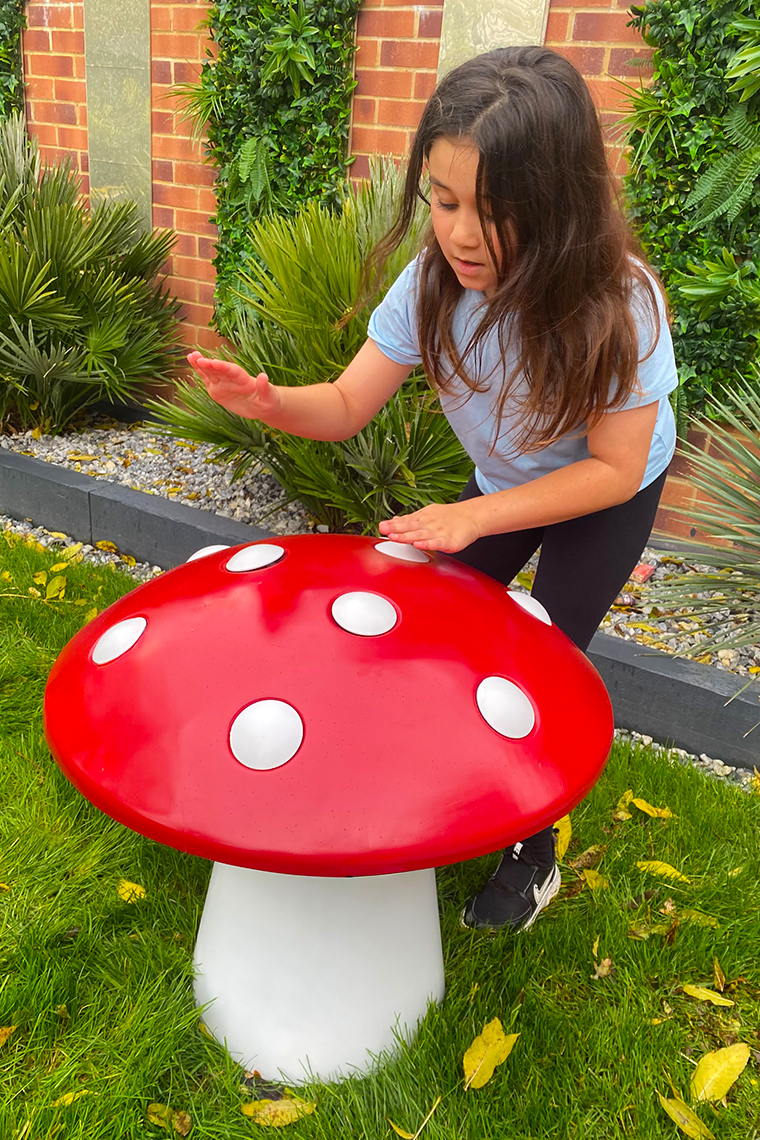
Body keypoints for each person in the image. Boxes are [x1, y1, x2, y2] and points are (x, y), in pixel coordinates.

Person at [187, 46, 678, 933]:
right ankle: (438, 785)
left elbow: (609, 468)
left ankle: (533, 853)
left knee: (543, 662)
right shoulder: (433, 285)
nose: (457, 234)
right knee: (442, 637)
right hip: (501, 485)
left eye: (490, 213)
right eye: (443, 203)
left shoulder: (623, 302)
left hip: (605, 497)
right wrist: (270, 403)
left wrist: (470, 517)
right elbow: (343, 403)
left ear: (560, 204)